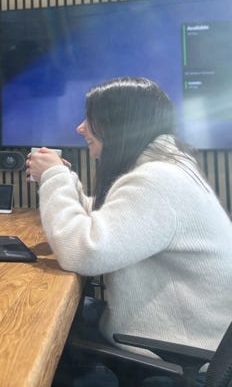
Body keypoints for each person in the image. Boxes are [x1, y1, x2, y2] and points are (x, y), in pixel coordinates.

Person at [27, 77, 232, 374]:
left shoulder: (158, 180)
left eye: (90, 119)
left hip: (169, 359)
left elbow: (83, 253)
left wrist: (54, 177)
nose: (81, 128)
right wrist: (65, 180)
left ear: (118, 124)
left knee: (31, 335)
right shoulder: (168, 169)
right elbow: (115, 222)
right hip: (170, 340)